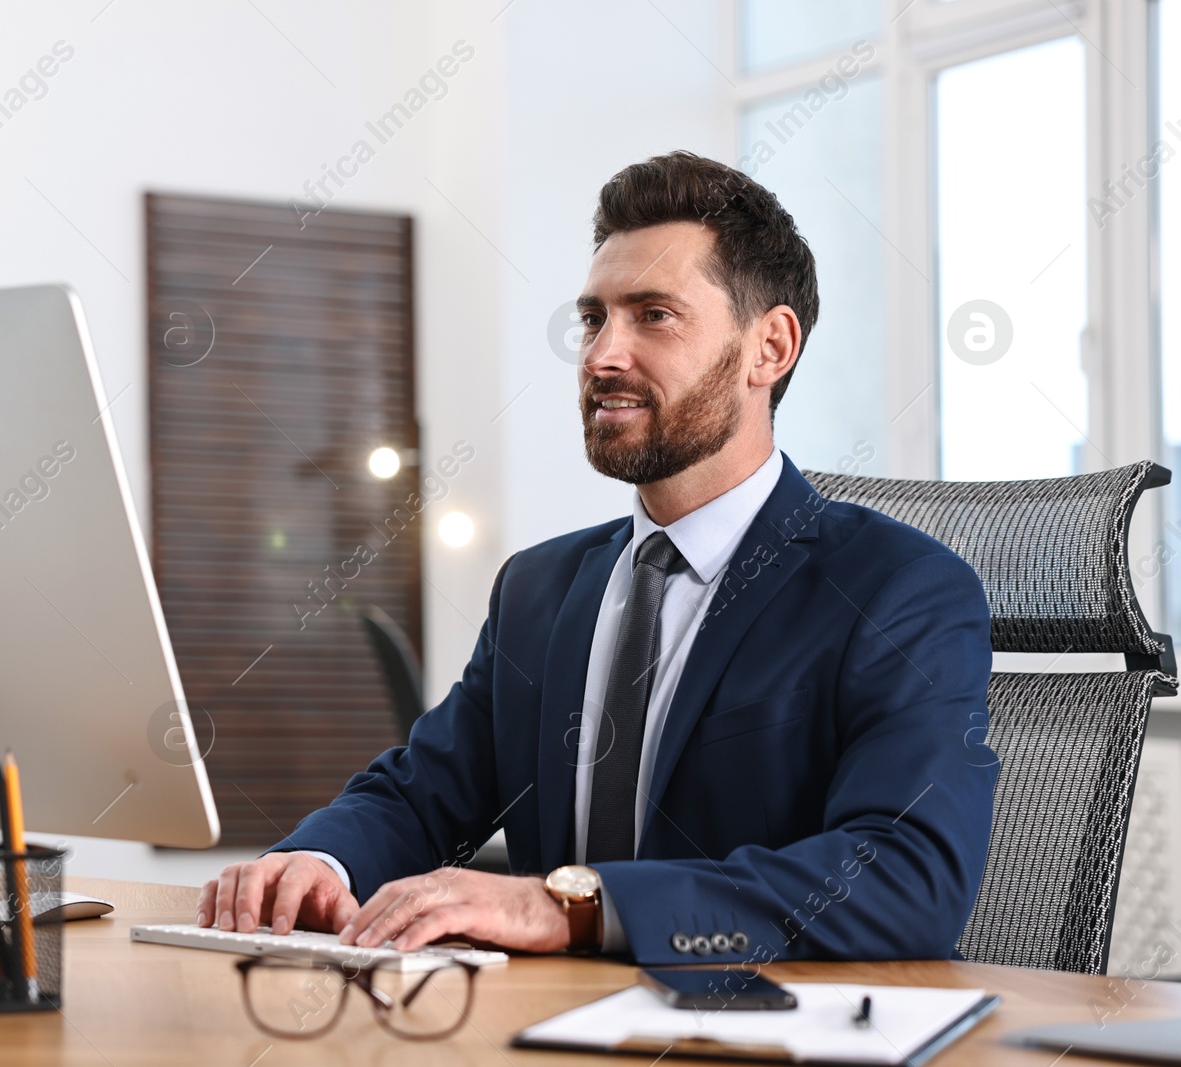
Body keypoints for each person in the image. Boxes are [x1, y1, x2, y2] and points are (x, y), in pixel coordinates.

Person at [197, 150, 996, 965]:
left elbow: (906, 877)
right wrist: (317, 862)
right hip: (541, 1029)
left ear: (771, 347)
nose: (601, 355)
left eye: (653, 315)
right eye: (593, 318)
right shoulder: (541, 588)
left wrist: (571, 906)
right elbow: (423, 791)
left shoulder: (898, 588)